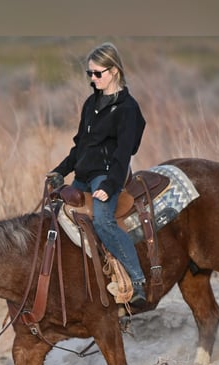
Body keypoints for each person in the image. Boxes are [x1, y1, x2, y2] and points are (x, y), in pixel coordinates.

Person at [46, 42, 148, 306]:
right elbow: (80, 145)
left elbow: (124, 153)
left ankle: (137, 280)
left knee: (103, 222)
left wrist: (111, 184)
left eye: (97, 73)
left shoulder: (128, 108)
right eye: (89, 74)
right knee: (53, 216)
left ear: (114, 71)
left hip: (107, 174)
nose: (92, 78)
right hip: (84, 173)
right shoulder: (91, 102)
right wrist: (60, 171)